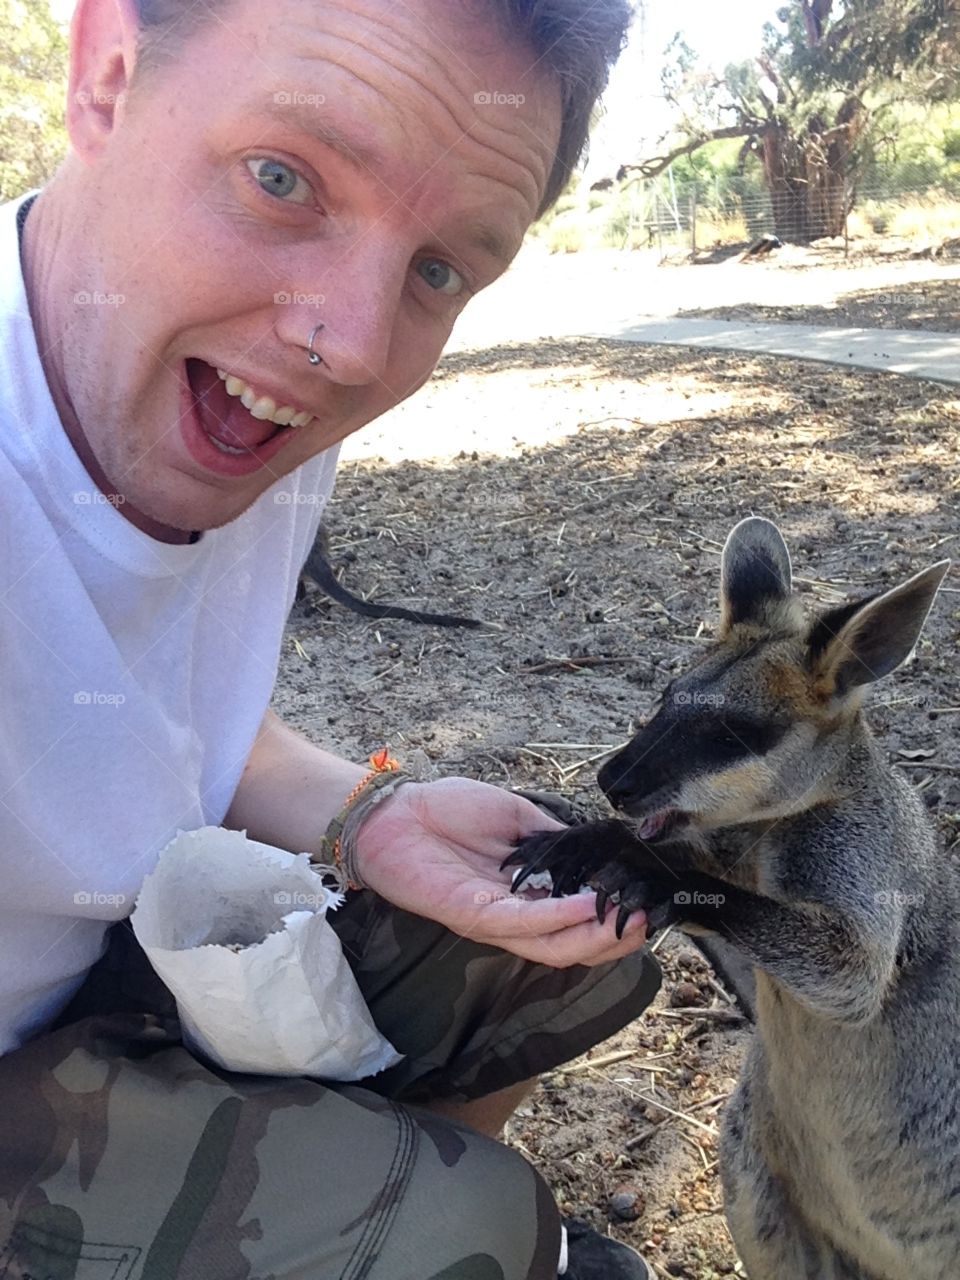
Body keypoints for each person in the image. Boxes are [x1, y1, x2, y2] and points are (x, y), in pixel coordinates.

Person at [0, 0, 662, 1276]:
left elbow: (165, 697)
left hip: (99, 974)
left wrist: (367, 817)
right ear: (106, 75)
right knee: (466, 1230)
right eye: (283, 178)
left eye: (437, 271)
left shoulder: (224, 379)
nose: (351, 345)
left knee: (551, 909)